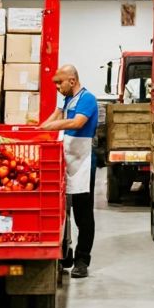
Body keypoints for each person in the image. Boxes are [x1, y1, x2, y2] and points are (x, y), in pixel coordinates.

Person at [39, 64, 99, 279]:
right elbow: (54, 116)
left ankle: (82, 260)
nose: (56, 86)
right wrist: (38, 131)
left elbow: (77, 122)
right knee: (63, 210)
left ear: (72, 81)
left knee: (83, 214)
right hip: (66, 160)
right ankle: (66, 253)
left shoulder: (88, 99)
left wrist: (49, 127)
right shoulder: (67, 100)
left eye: (59, 82)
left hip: (82, 163)